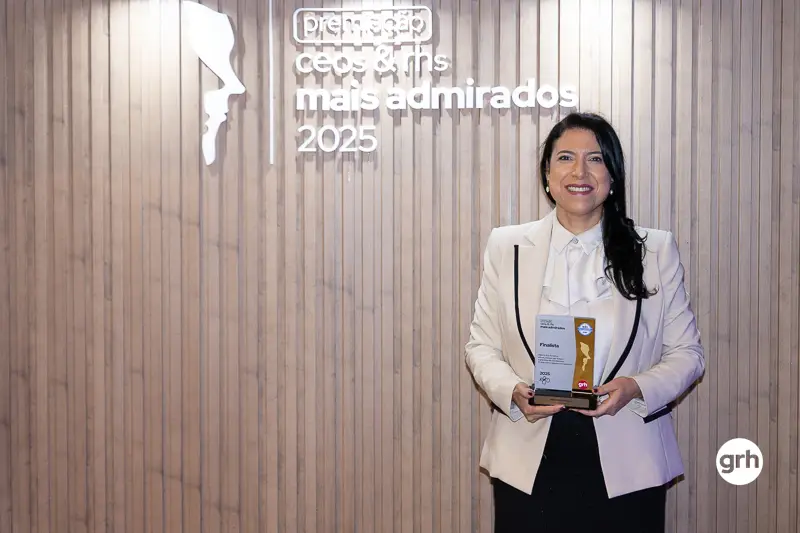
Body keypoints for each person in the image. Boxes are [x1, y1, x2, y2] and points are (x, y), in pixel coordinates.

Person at [464, 112, 704, 532]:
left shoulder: (654, 250)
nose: (579, 172)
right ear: (547, 175)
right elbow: (481, 346)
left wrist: (635, 387)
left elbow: (688, 354)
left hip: (628, 459)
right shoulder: (506, 246)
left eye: (595, 158)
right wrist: (513, 391)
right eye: (565, 158)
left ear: (613, 175)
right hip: (527, 457)